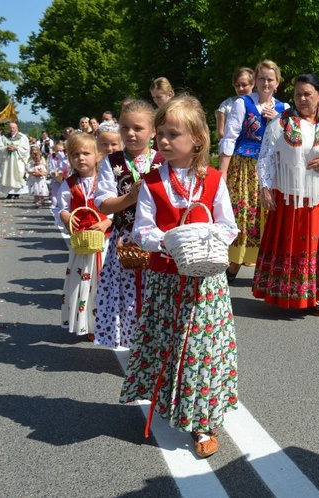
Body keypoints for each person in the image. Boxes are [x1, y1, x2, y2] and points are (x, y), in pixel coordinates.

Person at [121, 95, 238, 459]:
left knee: (202, 352)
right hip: (166, 281)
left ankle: (204, 422)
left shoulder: (215, 180)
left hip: (206, 283)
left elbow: (229, 227)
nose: (164, 141)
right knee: (168, 346)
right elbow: (142, 231)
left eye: (173, 134)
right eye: (161, 134)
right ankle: (172, 405)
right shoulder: (152, 183)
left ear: (197, 140)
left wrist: (204, 237)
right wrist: (171, 241)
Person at [252, 72, 319, 316]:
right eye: (297, 95)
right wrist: (264, 187)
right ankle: (282, 297)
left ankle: (312, 299)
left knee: (317, 251)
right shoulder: (280, 124)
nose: (302, 99)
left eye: (307, 94)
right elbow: (265, 158)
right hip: (289, 200)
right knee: (288, 248)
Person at [94, 99, 164, 349]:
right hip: (126, 241)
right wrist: (131, 197)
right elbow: (103, 204)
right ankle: (134, 345)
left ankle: (155, 344)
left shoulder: (163, 159)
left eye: (138, 128)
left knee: (155, 293)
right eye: (125, 128)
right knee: (127, 295)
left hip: (158, 240)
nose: (131, 134)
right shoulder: (111, 163)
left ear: (153, 131)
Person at [219, 60, 287, 283]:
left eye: (270, 79)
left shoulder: (284, 109)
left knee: (270, 219)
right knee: (244, 216)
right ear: (255, 81)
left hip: (272, 169)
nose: (265, 83)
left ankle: (266, 270)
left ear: (277, 83)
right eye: (261, 78)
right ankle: (234, 264)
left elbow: (288, 144)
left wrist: (275, 121)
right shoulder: (242, 103)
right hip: (245, 168)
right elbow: (229, 138)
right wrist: (222, 174)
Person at [55, 133, 112, 340]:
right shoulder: (69, 183)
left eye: (86, 153)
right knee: (82, 283)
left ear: (97, 156)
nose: (81, 158)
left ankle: (105, 322)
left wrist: (108, 221)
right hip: (81, 243)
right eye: (75, 154)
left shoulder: (105, 180)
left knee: (102, 281)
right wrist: (66, 215)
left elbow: (114, 204)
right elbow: (60, 206)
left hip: (104, 241)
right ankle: (87, 324)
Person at [215, 67, 254, 140]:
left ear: (252, 84)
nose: (240, 89)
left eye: (244, 85)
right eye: (237, 85)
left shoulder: (260, 103)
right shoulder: (226, 105)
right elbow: (220, 134)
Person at [0, 122, 30, 199]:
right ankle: (9, 193)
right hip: (7, 161)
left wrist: (17, 148)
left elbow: (26, 149)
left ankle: (17, 193)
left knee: (18, 175)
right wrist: (6, 148)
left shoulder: (22, 137)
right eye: (10, 128)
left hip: (18, 160)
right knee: (8, 175)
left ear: (17, 128)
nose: (11, 129)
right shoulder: (4, 137)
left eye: (13, 128)